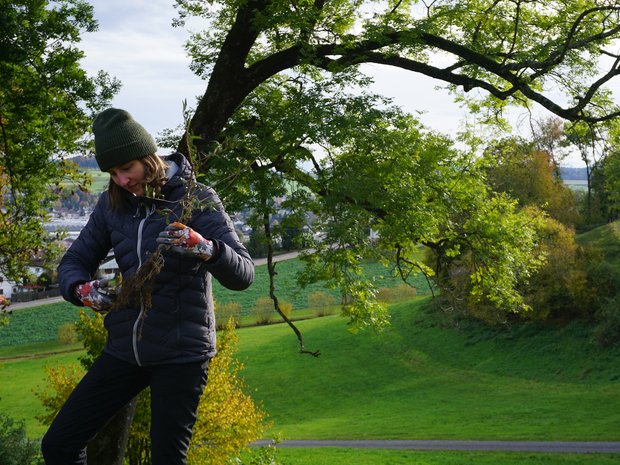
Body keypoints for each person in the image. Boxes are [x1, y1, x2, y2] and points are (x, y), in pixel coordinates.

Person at [41, 108, 254, 465]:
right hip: (126, 348)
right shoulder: (112, 205)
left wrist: (206, 248)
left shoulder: (196, 198)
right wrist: (80, 290)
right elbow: (73, 261)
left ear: (148, 158)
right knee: (59, 444)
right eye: (112, 173)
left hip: (182, 351)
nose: (122, 180)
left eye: (127, 169)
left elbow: (244, 274)